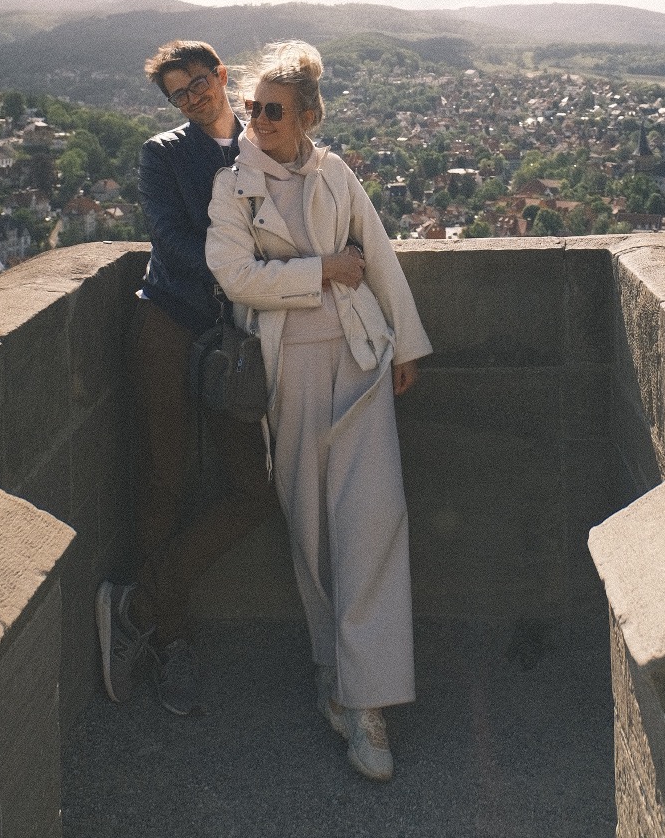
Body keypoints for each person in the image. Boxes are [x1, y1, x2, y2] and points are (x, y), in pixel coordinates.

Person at [205, 41, 432, 783]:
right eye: (251, 109)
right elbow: (235, 276)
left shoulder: (334, 172)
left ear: (306, 115)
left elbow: (382, 255)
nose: (257, 121)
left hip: (359, 354)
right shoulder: (232, 188)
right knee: (310, 525)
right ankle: (334, 675)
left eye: (273, 110)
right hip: (288, 367)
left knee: (374, 517)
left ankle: (369, 706)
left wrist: (405, 347)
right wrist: (321, 270)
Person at [96, 40, 277, 714]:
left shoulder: (264, 141)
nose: (193, 98)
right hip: (170, 323)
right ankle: (171, 642)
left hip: (236, 335)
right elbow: (167, 237)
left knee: (252, 492)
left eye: (199, 83)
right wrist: (247, 271)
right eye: (179, 92)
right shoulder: (163, 153)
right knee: (167, 478)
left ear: (222, 76)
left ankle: (136, 602)